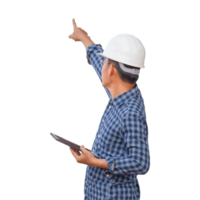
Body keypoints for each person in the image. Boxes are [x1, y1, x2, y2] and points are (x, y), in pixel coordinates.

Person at [66, 17, 152, 200]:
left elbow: (142, 163)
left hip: (113, 196)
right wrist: (83, 38)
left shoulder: (130, 112)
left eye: (105, 62)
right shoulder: (121, 89)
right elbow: (100, 64)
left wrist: (94, 162)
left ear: (112, 71)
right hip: (95, 192)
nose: (100, 65)